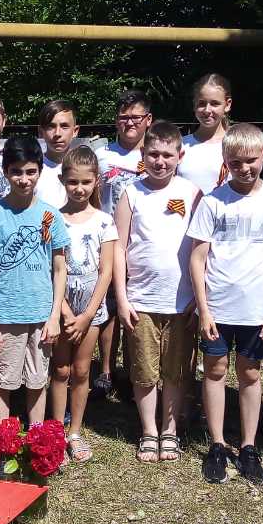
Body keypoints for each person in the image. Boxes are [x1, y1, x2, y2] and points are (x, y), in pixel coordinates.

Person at [188, 124, 263, 485]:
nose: (245, 168)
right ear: (225, 161)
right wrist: (204, 309)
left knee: (250, 373)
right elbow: (197, 258)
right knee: (215, 370)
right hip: (217, 306)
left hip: (258, 309)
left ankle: (249, 446)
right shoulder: (213, 201)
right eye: (235, 163)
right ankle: (218, 444)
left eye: (251, 160)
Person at [113, 120, 201, 463]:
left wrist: (199, 298)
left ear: (180, 156)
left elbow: (203, 249)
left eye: (167, 155)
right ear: (143, 155)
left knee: (176, 371)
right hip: (141, 300)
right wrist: (122, 298)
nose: (160, 161)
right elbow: (119, 247)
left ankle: (170, 430)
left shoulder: (192, 193)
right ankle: (149, 430)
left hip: (181, 301)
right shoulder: (131, 193)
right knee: (144, 370)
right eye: (153, 154)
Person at [0, 136, 69, 425]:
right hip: (6, 315)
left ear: (40, 171)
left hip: (41, 315)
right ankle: (2, 440)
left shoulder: (50, 215)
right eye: (16, 172)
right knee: (3, 380)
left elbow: (59, 268)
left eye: (30, 172)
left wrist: (54, 316)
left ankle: (38, 436)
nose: (24, 179)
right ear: (5, 172)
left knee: (37, 380)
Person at [48, 146, 116, 462]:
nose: (79, 188)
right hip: (61, 304)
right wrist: (64, 311)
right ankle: (56, 431)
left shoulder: (104, 221)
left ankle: (74, 431)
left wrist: (88, 315)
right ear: (63, 180)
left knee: (81, 368)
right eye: (73, 181)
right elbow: (51, 267)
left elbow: (106, 271)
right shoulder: (52, 218)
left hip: (91, 307)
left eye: (86, 182)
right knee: (60, 368)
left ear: (96, 181)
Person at [93, 89, 152, 397]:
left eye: (136, 117)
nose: (130, 122)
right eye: (123, 117)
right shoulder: (103, 156)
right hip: (107, 241)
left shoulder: (154, 155)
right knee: (109, 309)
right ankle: (105, 370)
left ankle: (131, 371)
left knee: (135, 309)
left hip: (142, 243)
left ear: (148, 120)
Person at [179, 74, 233, 194]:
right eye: (202, 103)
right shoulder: (180, 144)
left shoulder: (237, 145)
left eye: (214, 103)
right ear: (194, 105)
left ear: (227, 104)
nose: (207, 110)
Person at [34, 99, 80, 208]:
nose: (57, 133)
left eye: (64, 126)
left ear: (75, 131)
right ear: (40, 132)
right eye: (51, 126)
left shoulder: (85, 168)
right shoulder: (31, 170)